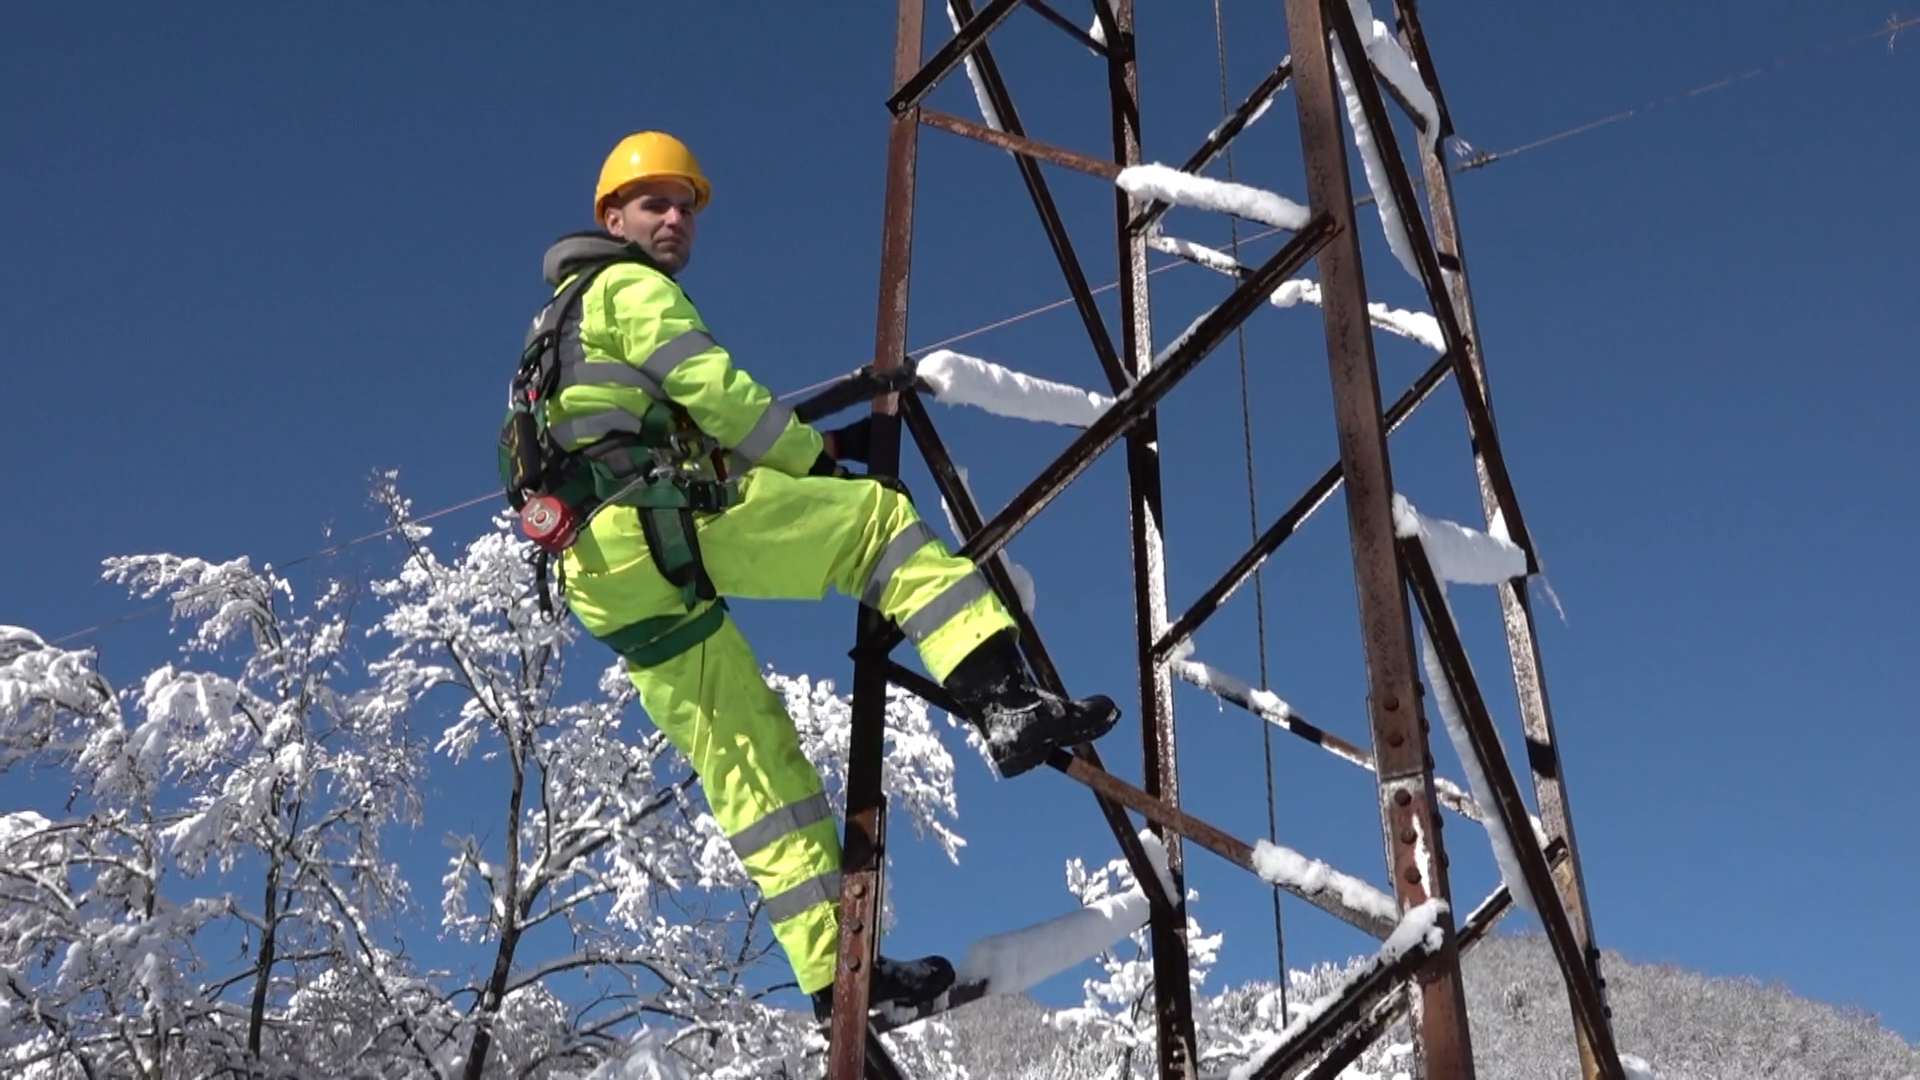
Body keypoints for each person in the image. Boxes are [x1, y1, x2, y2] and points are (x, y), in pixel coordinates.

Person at [533, 130, 1122, 1017]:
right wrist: (814, 461)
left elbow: (665, 434)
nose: (675, 218)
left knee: (753, 767)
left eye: (685, 203)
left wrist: (809, 450)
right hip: (651, 526)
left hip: (597, 573)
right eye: (654, 202)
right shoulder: (627, 288)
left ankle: (837, 981)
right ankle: (1006, 704)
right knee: (875, 524)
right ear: (611, 218)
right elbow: (720, 395)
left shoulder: (555, 331)